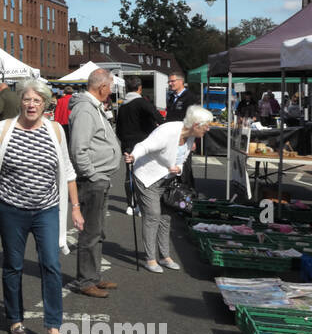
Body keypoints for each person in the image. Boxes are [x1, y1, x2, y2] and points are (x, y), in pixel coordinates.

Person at [0, 78, 83, 334]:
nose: (31, 104)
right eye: (27, 99)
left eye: (37, 100)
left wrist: (76, 208)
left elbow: (68, 172)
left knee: (51, 265)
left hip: (47, 209)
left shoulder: (56, 131)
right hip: (11, 210)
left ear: (45, 104)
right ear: (20, 101)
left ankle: (54, 327)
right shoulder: (3, 129)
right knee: (13, 265)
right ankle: (14, 318)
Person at [126, 106, 213, 273]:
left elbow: (182, 159)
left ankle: (165, 256)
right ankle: (150, 259)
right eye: (206, 125)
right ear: (196, 124)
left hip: (167, 181)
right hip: (147, 177)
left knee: (166, 218)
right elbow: (144, 146)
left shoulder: (189, 138)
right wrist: (133, 156)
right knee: (153, 216)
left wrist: (178, 169)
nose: (208, 129)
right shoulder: (168, 131)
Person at [67, 68, 121, 298]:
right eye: (110, 88)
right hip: (93, 178)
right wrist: (91, 173)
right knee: (91, 232)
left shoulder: (92, 108)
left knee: (97, 230)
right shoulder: (86, 110)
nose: (111, 92)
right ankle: (86, 279)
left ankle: (93, 276)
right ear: (102, 88)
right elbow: (79, 148)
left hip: (99, 177)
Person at [115, 76, 162, 154]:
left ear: (127, 88)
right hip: (143, 145)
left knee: (131, 165)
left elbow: (118, 129)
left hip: (127, 146)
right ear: (140, 88)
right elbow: (159, 119)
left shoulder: (122, 106)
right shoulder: (143, 103)